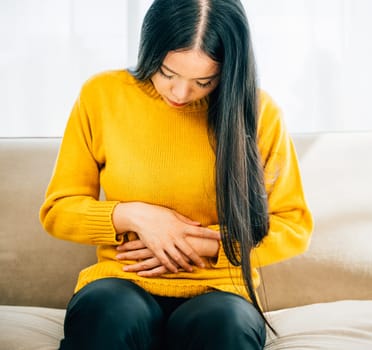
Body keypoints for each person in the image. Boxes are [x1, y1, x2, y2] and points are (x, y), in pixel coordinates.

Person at [39, 0, 313, 349]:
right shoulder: (101, 96)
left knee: (226, 328)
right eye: (168, 74)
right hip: (122, 283)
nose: (181, 93)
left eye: (204, 81)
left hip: (220, 291)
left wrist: (206, 244)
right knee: (107, 315)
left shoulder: (259, 113)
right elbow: (58, 210)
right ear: (149, 52)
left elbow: (294, 225)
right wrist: (135, 215)